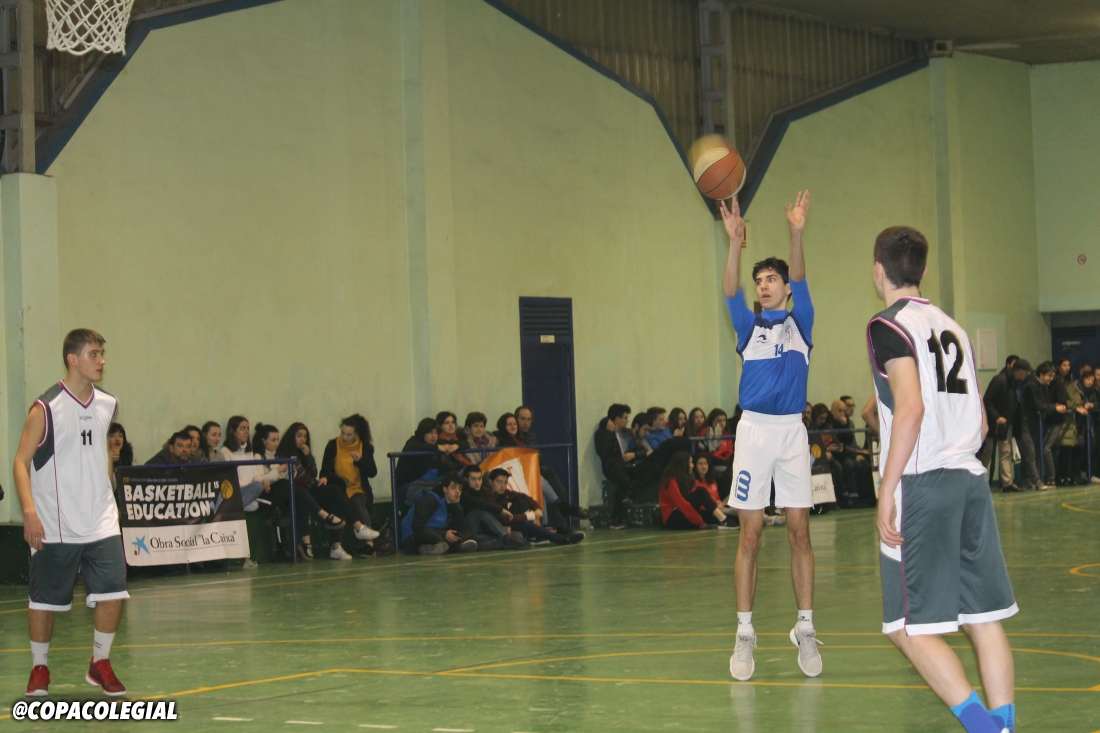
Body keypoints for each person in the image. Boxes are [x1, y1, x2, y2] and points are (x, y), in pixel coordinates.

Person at [867, 225, 1017, 733]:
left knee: (905, 627)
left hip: (924, 483)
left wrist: (887, 490)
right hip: (971, 479)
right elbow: (980, 422)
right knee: (983, 617)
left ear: (878, 270)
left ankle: (985, 728)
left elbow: (910, 409)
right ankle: (1005, 726)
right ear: (924, 270)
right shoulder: (953, 327)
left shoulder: (888, 326)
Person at [719, 190, 820, 681]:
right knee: (751, 534)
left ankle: (806, 627)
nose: (762, 286)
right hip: (755, 433)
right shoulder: (748, 325)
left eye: (770, 280)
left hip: (791, 434)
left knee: (799, 531)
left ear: (786, 288)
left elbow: (800, 274)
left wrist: (796, 233)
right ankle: (744, 633)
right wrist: (733, 243)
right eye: (759, 281)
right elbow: (728, 291)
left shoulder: (801, 322)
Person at [15, 329, 129, 696]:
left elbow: (100, 453)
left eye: (102, 353)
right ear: (72, 359)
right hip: (55, 522)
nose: (102, 360)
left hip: (101, 519)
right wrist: (29, 512)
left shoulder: (108, 403)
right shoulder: (45, 408)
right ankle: (39, 668)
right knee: (44, 600)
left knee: (113, 591)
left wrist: (108, 496)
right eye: (94, 354)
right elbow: (20, 462)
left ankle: (100, 662)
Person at [253, 424, 346, 561]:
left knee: (299, 501)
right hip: (267, 493)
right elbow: (261, 480)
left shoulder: (278, 456)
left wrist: (291, 471)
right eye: (273, 440)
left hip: (282, 492)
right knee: (289, 485)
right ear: (263, 441)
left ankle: (306, 544)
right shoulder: (258, 457)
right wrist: (279, 470)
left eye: (277, 439)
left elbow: (308, 474)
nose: (277, 443)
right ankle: (324, 515)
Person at [319, 415, 383, 556]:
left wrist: (359, 461)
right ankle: (337, 547)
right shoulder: (332, 445)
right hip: (339, 488)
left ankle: (369, 544)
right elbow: (324, 470)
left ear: (356, 434)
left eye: (349, 435)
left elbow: (372, 472)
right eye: (343, 433)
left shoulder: (365, 447)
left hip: (357, 488)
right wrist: (324, 477)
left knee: (357, 502)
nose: (344, 437)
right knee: (338, 502)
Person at [484, 468, 584, 545]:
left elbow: (525, 497)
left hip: (509, 524)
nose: (503, 486)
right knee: (525, 524)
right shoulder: (488, 498)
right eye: (499, 482)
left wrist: (537, 509)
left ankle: (531, 536)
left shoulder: (504, 493)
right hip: (498, 528)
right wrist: (528, 516)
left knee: (521, 501)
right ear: (490, 482)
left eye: (505, 482)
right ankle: (562, 539)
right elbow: (504, 519)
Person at [400, 473, 478, 555]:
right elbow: (417, 526)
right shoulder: (429, 500)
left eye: (460, 488)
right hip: (413, 537)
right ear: (445, 489)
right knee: (432, 535)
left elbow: (462, 527)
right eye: (453, 488)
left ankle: (440, 547)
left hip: (438, 535)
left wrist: (457, 508)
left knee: (467, 533)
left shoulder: (452, 505)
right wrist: (444, 534)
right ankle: (456, 547)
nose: (457, 491)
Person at [459, 466, 529, 550]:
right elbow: (479, 502)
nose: (477, 482)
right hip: (469, 533)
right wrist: (501, 510)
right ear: (466, 480)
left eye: (479, 479)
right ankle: (504, 538)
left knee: (517, 535)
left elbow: (486, 523)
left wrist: (501, 529)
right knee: (480, 510)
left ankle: (488, 544)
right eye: (473, 479)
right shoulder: (463, 493)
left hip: (482, 534)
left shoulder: (481, 492)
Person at [658, 452, 730, 529]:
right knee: (701, 492)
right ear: (684, 464)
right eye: (690, 462)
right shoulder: (671, 481)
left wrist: (715, 504)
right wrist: (700, 522)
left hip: (685, 512)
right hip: (672, 518)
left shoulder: (688, 479)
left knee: (710, 515)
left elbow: (702, 492)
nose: (692, 465)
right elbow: (682, 505)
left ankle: (725, 520)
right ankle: (724, 520)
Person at [1022, 362, 1063, 489]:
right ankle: (1036, 481)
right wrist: (1054, 408)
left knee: (1034, 451)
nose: (1051, 379)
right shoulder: (1031, 385)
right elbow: (1038, 405)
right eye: (1049, 376)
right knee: (1030, 452)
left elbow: (1044, 403)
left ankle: (1029, 480)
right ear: (1041, 375)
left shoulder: (1041, 386)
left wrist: (1052, 406)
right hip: (1025, 422)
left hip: (1033, 422)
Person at [219, 416, 268, 512]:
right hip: (232, 491)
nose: (247, 432)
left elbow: (255, 475)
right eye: (242, 428)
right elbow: (226, 479)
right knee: (254, 501)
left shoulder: (249, 452)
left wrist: (263, 481)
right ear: (233, 431)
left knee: (258, 486)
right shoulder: (225, 451)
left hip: (247, 490)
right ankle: (234, 507)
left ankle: (237, 506)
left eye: (247, 428)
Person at [395, 418, 456, 491]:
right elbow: (416, 447)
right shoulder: (413, 441)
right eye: (430, 432)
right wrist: (437, 447)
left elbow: (463, 444)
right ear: (423, 433)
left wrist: (456, 446)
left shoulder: (434, 441)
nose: (434, 436)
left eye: (436, 432)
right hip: (407, 486)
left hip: (426, 482)